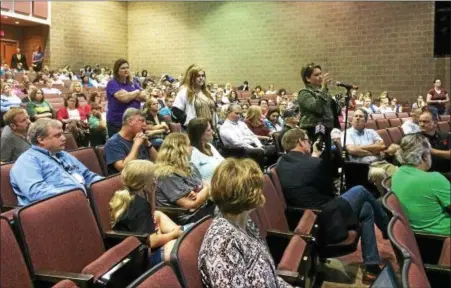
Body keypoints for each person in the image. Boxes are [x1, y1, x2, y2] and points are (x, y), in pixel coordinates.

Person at [278, 128, 390, 281]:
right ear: (300, 142)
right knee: (360, 190)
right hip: (324, 217)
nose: (310, 144)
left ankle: (371, 266)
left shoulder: (280, 163)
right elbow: (331, 193)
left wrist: (315, 157)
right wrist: (316, 158)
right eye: (308, 141)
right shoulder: (315, 164)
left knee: (367, 209)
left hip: (305, 215)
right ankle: (387, 227)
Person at [198, 158, 292, 288]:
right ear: (247, 194)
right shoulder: (223, 244)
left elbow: (271, 277)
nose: (262, 192)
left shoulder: (246, 222)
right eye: (258, 188)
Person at [10, 118, 103, 206]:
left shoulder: (63, 154)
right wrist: (76, 194)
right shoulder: (27, 160)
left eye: (62, 134)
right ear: (41, 140)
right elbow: (36, 192)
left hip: (80, 201)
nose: (64, 138)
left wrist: (104, 185)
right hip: (53, 210)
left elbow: (87, 175)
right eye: (57, 135)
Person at [110, 160, 184, 266]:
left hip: (138, 249)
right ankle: (180, 233)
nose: (155, 180)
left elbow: (151, 214)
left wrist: (152, 193)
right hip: (141, 260)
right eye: (153, 178)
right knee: (180, 247)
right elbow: (152, 242)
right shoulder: (139, 205)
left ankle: (181, 233)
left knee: (158, 214)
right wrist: (173, 235)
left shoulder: (129, 196)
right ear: (144, 184)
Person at [392, 134, 450, 235]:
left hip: (414, 236)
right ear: (424, 156)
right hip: (441, 235)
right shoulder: (434, 179)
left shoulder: (398, 173)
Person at [154, 133, 215, 224]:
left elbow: (203, 185)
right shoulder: (167, 175)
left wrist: (200, 193)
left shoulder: (189, 166)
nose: (192, 148)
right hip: (188, 218)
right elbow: (191, 205)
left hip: (203, 208)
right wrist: (206, 189)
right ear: (180, 150)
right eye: (189, 145)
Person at [343, 108, 398, 195]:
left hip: (380, 162)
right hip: (363, 167)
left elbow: (381, 146)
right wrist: (372, 150)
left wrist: (360, 148)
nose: (357, 118)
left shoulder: (371, 132)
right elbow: (352, 150)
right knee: (379, 173)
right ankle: (385, 198)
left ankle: (399, 196)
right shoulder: (347, 133)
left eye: (360, 116)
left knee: (398, 172)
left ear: (365, 121)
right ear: (352, 119)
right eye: (355, 116)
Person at [220, 104, 278, 169]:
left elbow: (252, 135)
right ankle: (260, 173)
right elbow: (237, 143)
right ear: (228, 113)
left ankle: (270, 171)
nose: (239, 116)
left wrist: (259, 145)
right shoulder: (225, 127)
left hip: (252, 146)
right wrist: (253, 148)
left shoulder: (241, 123)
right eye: (236, 113)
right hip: (240, 150)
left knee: (275, 147)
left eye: (240, 113)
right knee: (259, 152)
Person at [297, 63, 335, 164]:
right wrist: (324, 89)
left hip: (325, 128)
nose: (320, 77)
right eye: (316, 75)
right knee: (318, 158)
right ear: (308, 79)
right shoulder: (304, 93)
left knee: (326, 157)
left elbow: (329, 110)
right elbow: (316, 108)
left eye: (320, 74)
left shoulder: (322, 91)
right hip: (313, 129)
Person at [104, 108, 158, 175]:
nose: (145, 125)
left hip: (148, 175)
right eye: (142, 121)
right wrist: (136, 145)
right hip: (131, 182)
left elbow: (157, 160)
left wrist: (148, 144)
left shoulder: (139, 138)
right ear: (130, 122)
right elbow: (124, 168)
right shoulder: (113, 143)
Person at [106, 59, 148, 137]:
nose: (126, 70)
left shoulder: (133, 83)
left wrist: (130, 94)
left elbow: (145, 97)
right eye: (123, 68)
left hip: (134, 121)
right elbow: (124, 98)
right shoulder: (112, 83)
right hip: (118, 122)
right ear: (117, 70)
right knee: (120, 146)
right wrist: (137, 92)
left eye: (127, 67)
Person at [187, 118, 224, 182]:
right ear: (200, 134)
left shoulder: (209, 146)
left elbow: (224, 162)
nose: (213, 132)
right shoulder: (192, 154)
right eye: (209, 130)